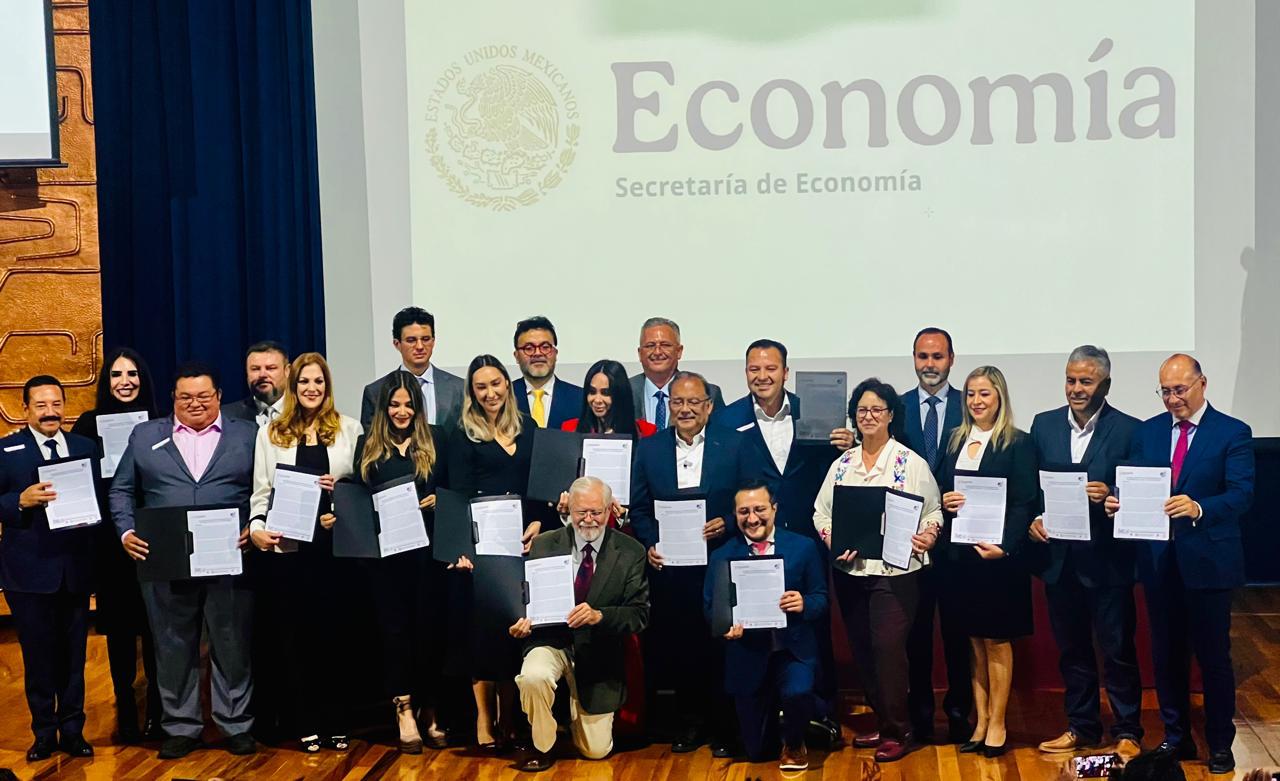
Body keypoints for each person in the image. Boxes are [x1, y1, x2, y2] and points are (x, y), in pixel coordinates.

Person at [1105, 354, 1255, 775]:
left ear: (1202, 384)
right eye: (1165, 391)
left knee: (1213, 658)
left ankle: (1220, 743)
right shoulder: (1148, 431)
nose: (1173, 399)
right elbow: (1133, 482)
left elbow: (1242, 494)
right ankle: (1176, 736)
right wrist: (1118, 499)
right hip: (1159, 562)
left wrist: (1199, 507)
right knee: (1166, 655)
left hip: (1209, 562)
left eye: (1180, 390)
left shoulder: (1232, 432)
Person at [109, 362, 259, 760]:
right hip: (164, 556)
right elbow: (121, 490)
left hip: (230, 553)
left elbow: (265, 487)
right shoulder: (145, 435)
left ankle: (236, 724)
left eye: (203, 396)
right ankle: (181, 727)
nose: (195, 403)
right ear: (173, 399)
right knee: (171, 644)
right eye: (186, 397)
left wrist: (257, 524)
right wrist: (126, 532)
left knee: (231, 641)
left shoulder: (247, 434)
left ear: (219, 397)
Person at [717, 339, 849, 744]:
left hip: (806, 540)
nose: (762, 376)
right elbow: (723, 481)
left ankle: (820, 712)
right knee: (755, 630)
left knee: (813, 625)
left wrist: (846, 447)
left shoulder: (817, 411)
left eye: (771, 368)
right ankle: (762, 713)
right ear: (745, 373)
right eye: (754, 369)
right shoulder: (726, 419)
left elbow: (833, 471)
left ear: (786, 372)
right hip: (752, 541)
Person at [813, 379, 943, 762]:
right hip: (851, 571)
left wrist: (928, 535)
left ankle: (899, 730)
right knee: (864, 651)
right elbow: (820, 513)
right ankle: (884, 721)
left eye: (876, 410)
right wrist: (835, 541)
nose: (868, 417)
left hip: (895, 574)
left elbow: (933, 511)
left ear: (890, 416)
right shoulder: (842, 465)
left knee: (888, 650)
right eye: (862, 411)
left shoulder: (910, 463)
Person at [1028, 346, 1143, 761]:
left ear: (1105, 385)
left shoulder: (1130, 430)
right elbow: (1031, 488)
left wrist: (1113, 495)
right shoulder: (1043, 425)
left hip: (1108, 562)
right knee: (1072, 651)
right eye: (1070, 380)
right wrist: (1033, 520)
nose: (1076, 389)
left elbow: (1140, 493)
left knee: (1117, 650)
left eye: (1086, 381)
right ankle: (1081, 726)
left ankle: (1127, 731)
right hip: (1060, 562)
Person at [247, 353, 363, 753]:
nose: (311, 389)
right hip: (290, 550)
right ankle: (305, 721)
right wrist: (257, 529)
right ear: (293, 387)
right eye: (303, 382)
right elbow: (261, 492)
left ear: (327, 386)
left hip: (336, 551)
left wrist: (340, 496)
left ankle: (337, 720)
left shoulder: (349, 429)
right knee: (295, 640)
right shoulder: (271, 433)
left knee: (335, 639)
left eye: (318, 381)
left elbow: (361, 489)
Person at [630, 371, 744, 754]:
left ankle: (725, 727)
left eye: (694, 402)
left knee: (722, 645)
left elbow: (753, 496)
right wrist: (650, 542)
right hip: (672, 569)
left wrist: (727, 522)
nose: (685, 409)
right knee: (682, 647)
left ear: (709, 407)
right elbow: (640, 507)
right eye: (678, 402)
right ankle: (691, 724)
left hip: (721, 561)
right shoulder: (650, 449)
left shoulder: (734, 444)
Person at [510, 476, 650, 771]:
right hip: (552, 642)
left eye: (596, 512)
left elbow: (639, 615)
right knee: (533, 676)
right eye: (581, 512)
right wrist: (520, 622)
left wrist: (600, 616)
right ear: (568, 510)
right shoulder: (544, 544)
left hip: (599, 651)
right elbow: (525, 601)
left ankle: (576, 720)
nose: (588, 519)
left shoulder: (631, 552)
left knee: (596, 752)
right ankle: (543, 743)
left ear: (609, 510)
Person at [936, 365, 1037, 758]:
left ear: (1000, 398)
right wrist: (945, 500)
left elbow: (1025, 502)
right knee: (973, 641)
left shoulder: (1018, 442)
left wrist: (1006, 547)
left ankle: (998, 722)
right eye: (971, 394)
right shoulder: (953, 439)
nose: (977, 401)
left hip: (998, 559)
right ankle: (980, 721)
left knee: (996, 641)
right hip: (960, 557)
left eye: (985, 394)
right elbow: (941, 488)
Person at [352, 371, 452, 753]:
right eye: (394, 404)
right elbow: (359, 499)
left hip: (429, 557)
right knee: (395, 633)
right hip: (387, 561)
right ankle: (404, 708)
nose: (402, 411)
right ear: (384, 407)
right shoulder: (368, 445)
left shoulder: (436, 439)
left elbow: (453, 489)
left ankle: (431, 708)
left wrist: (441, 500)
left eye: (408, 404)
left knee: (430, 632)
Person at [0, 375, 97, 761]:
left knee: (74, 657)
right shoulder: (6, 450)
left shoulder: (86, 447)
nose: (50, 412)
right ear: (25, 409)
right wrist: (18, 501)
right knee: (38, 657)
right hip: (28, 574)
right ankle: (43, 732)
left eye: (56, 404)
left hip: (74, 570)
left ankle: (73, 730)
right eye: (41, 405)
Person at [448, 355, 542, 752]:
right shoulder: (462, 434)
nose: (490, 393)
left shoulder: (529, 427)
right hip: (481, 548)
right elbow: (456, 493)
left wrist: (538, 522)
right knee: (483, 633)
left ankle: (510, 718)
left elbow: (538, 484)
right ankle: (484, 721)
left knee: (513, 628)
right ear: (472, 392)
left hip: (521, 544)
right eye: (481, 386)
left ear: (508, 384)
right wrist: (462, 548)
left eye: (496, 383)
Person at [69, 348, 162, 744]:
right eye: (117, 375)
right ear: (107, 382)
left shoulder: (160, 422)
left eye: (133, 374)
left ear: (144, 379)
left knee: (157, 629)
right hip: (111, 543)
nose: (125, 382)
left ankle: (157, 712)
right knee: (120, 633)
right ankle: (125, 711)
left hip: (155, 537)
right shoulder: (88, 425)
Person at [559, 358, 653, 738]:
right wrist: (562, 505)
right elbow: (557, 493)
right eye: (592, 392)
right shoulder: (569, 431)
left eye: (607, 393)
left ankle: (628, 716)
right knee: (577, 623)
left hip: (621, 545)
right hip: (578, 544)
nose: (598, 400)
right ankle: (575, 711)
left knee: (624, 629)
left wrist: (624, 512)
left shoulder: (645, 433)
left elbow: (647, 495)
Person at [709, 480, 828, 772]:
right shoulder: (721, 555)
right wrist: (726, 627)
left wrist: (804, 603)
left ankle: (796, 739)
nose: (752, 519)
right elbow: (711, 608)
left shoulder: (803, 547)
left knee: (797, 693)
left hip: (792, 650)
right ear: (735, 514)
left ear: (774, 509)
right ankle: (792, 720)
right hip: (748, 653)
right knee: (757, 752)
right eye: (744, 512)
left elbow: (821, 598)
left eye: (760, 509)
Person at [897, 326, 972, 745]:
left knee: (958, 635)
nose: (929, 364)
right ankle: (920, 718)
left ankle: (960, 715)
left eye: (937, 356)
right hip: (910, 542)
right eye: (922, 356)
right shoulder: (897, 408)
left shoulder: (972, 404)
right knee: (915, 637)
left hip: (961, 541)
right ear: (914, 359)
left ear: (951, 360)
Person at [360, 307, 464, 430]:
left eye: (425, 339)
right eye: (411, 340)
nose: (420, 346)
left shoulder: (459, 388)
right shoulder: (375, 392)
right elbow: (371, 439)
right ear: (397, 344)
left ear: (433, 342)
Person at [629, 317, 724, 429]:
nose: (657, 352)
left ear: (679, 351)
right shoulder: (621, 392)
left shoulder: (708, 393)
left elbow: (722, 436)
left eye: (665, 345)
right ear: (640, 353)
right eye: (650, 346)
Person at [510, 316, 583, 429]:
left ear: (555, 353)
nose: (538, 353)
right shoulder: (505, 397)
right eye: (529, 348)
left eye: (545, 347)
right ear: (516, 356)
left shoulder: (580, 398)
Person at [562, 359, 657, 438]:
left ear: (620, 395)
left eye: (605, 393)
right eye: (592, 392)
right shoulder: (570, 429)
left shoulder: (646, 431)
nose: (597, 400)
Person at [222, 341, 290, 426]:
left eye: (270, 368)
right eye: (255, 369)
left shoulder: (303, 412)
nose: (262, 375)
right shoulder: (226, 416)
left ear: (287, 371)